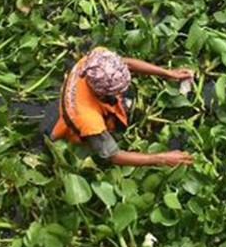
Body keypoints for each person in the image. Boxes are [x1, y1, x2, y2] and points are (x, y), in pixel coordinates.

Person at [50, 47, 194, 166]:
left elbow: (127, 64)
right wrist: (162, 158)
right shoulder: (89, 120)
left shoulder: (96, 60)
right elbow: (114, 156)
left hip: (82, 96)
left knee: (128, 106)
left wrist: (168, 73)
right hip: (78, 126)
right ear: (102, 94)